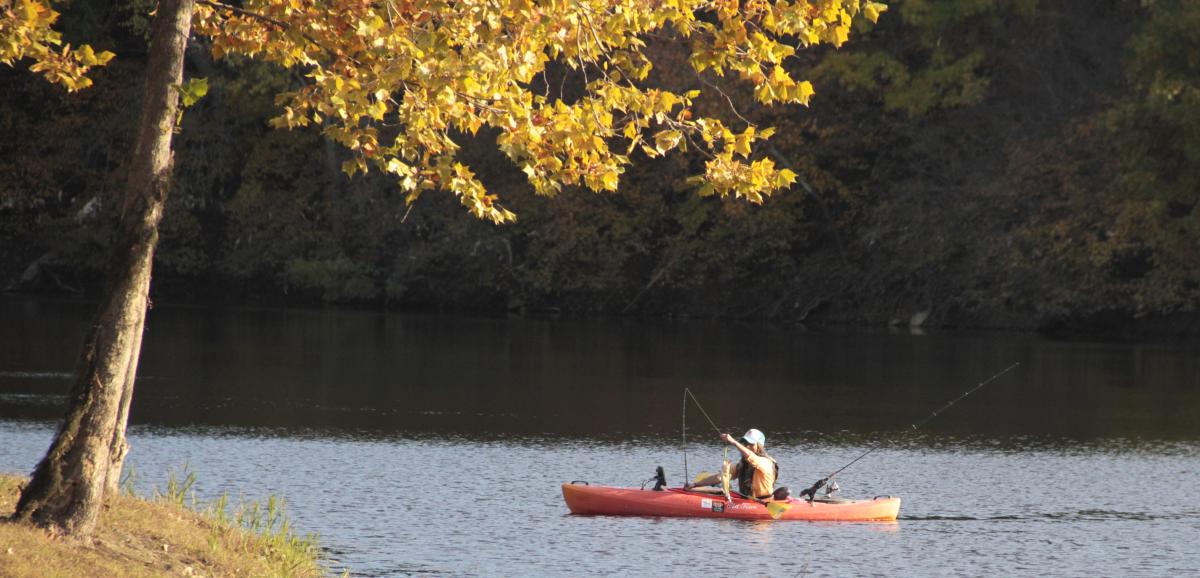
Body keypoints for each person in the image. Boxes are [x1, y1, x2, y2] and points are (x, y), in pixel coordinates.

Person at [685, 428, 782, 500]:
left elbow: (751, 456)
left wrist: (734, 442)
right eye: (745, 443)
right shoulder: (742, 465)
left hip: (762, 502)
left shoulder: (766, 462)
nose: (747, 446)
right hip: (746, 500)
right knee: (721, 490)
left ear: (759, 446)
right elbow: (719, 477)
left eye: (751, 444)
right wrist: (695, 484)